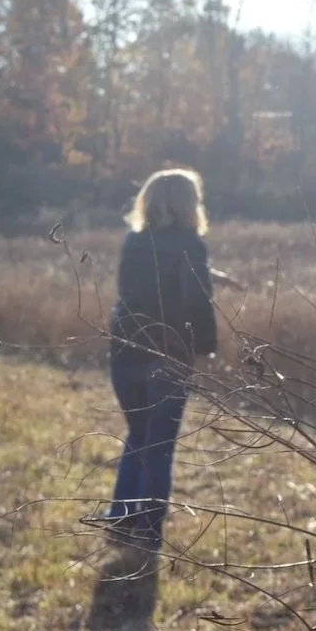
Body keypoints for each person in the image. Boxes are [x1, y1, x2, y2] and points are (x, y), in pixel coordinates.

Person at [92, 168, 218, 547]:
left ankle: (121, 517)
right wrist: (205, 346)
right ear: (188, 204)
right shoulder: (191, 245)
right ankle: (148, 530)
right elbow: (195, 299)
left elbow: (140, 285)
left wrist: (212, 274)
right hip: (169, 350)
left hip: (126, 347)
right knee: (159, 443)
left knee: (138, 434)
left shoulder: (133, 242)